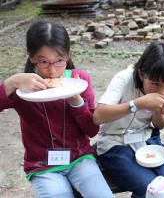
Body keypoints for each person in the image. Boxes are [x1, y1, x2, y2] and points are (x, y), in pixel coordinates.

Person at [0, 21, 114, 198]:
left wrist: (76, 99)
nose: (52, 71)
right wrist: (12, 82)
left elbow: (92, 130)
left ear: (68, 55)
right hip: (42, 165)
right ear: (31, 58)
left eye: (59, 61)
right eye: (43, 62)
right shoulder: (22, 86)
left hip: (80, 159)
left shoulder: (80, 80)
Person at [93, 41, 164, 198]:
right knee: (150, 189)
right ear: (141, 74)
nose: (163, 91)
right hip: (115, 142)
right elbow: (98, 116)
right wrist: (137, 104)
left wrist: (158, 112)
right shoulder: (123, 79)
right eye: (155, 83)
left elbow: (160, 124)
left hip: (148, 139)